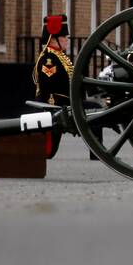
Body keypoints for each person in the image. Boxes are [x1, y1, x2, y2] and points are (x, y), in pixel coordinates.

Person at [32, 14, 73, 158]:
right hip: (55, 102)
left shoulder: (59, 56)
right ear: (54, 39)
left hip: (64, 101)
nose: (67, 40)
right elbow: (50, 86)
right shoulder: (49, 59)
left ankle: (95, 154)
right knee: (48, 152)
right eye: (64, 37)